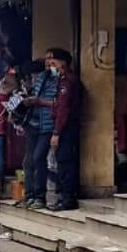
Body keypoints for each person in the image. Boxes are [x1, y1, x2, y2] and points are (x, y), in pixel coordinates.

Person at [43, 50, 83, 210]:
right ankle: (65, 197)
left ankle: (68, 199)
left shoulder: (68, 82)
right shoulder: (61, 80)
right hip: (65, 126)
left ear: (63, 63)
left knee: (65, 162)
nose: (51, 66)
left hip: (66, 127)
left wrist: (56, 132)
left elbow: (63, 110)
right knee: (62, 162)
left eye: (54, 63)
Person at [19, 61, 54, 208]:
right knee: (28, 162)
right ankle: (29, 195)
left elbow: (56, 103)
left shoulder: (53, 82)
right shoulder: (33, 83)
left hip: (46, 125)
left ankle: (40, 196)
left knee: (38, 158)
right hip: (32, 124)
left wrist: (39, 101)